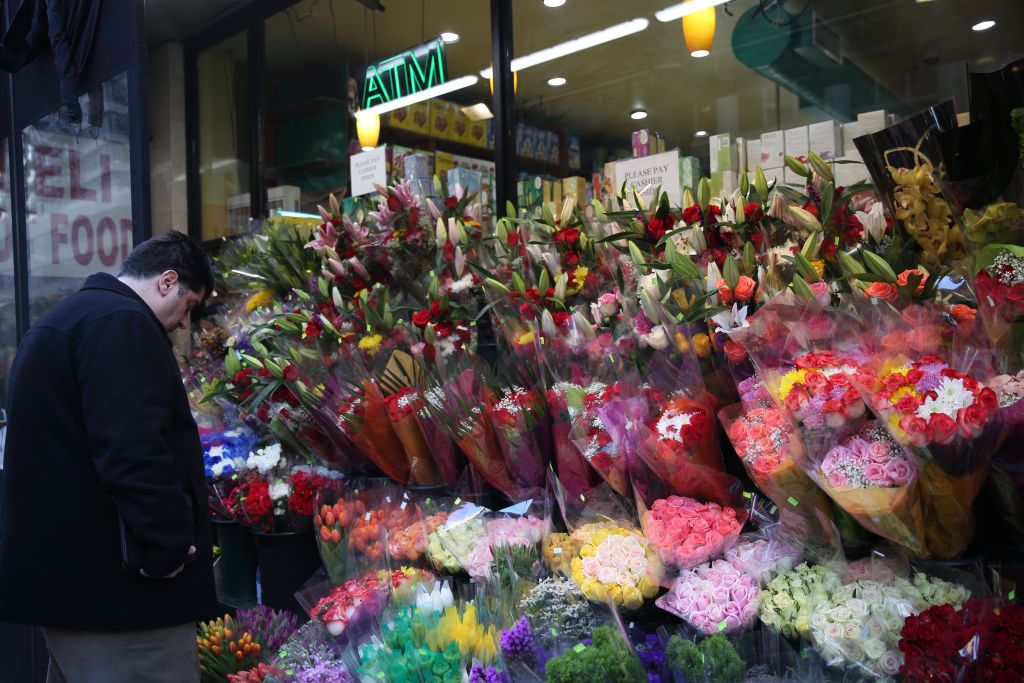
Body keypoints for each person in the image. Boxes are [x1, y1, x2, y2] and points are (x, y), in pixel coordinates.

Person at [0, 231, 218, 682]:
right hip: (124, 600)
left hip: (73, 587)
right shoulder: (121, 323)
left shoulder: (64, 320)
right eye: (189, 305)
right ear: (166, 280)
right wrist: (168, 544)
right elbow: (133, 451)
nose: (183, 323)